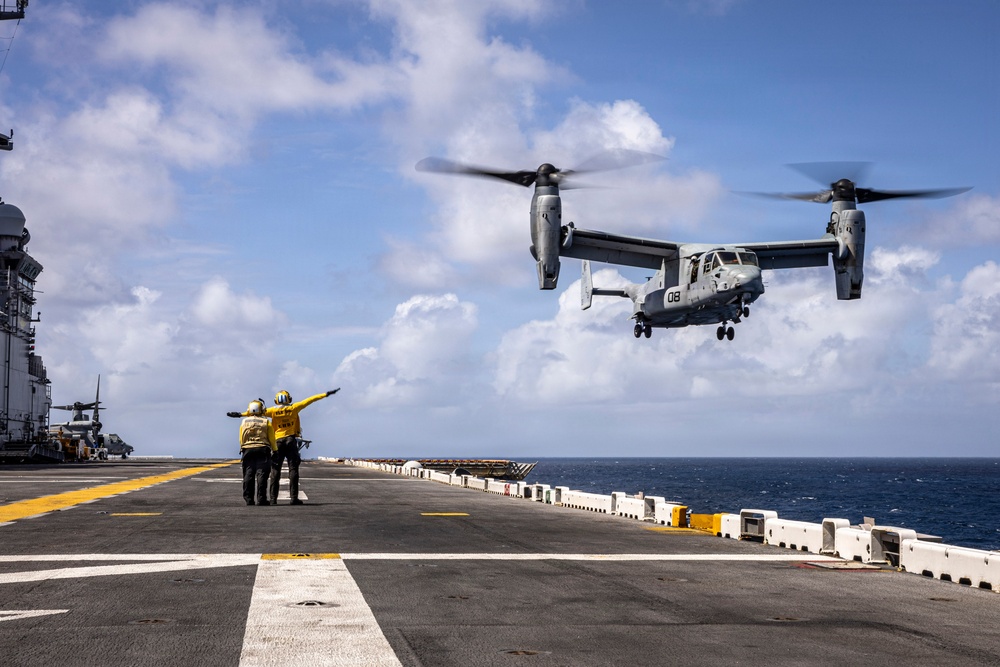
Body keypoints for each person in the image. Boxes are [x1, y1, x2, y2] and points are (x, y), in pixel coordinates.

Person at [228, 388, 339, 505]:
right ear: (289, 399)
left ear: (276, 400)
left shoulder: (272, 411)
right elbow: (311, 400)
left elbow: (257, 412)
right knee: (293, 469)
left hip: (278, 441)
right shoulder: (294, 408)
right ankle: (294, 498)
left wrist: (240, 414)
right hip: (291, 441)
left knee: (275, 470)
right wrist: (326, 394)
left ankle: (273, 499)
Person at [238, 400, 276, 506]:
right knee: (262, 474)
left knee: (248, 474)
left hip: (247, 450)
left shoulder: (244, 422)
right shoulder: (266, 422)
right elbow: (272, 438)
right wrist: (275, 450)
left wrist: (244, 447)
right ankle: (261, 499)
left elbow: (241, 438)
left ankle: (249, 499)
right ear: (261, 410)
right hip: (263, 449)